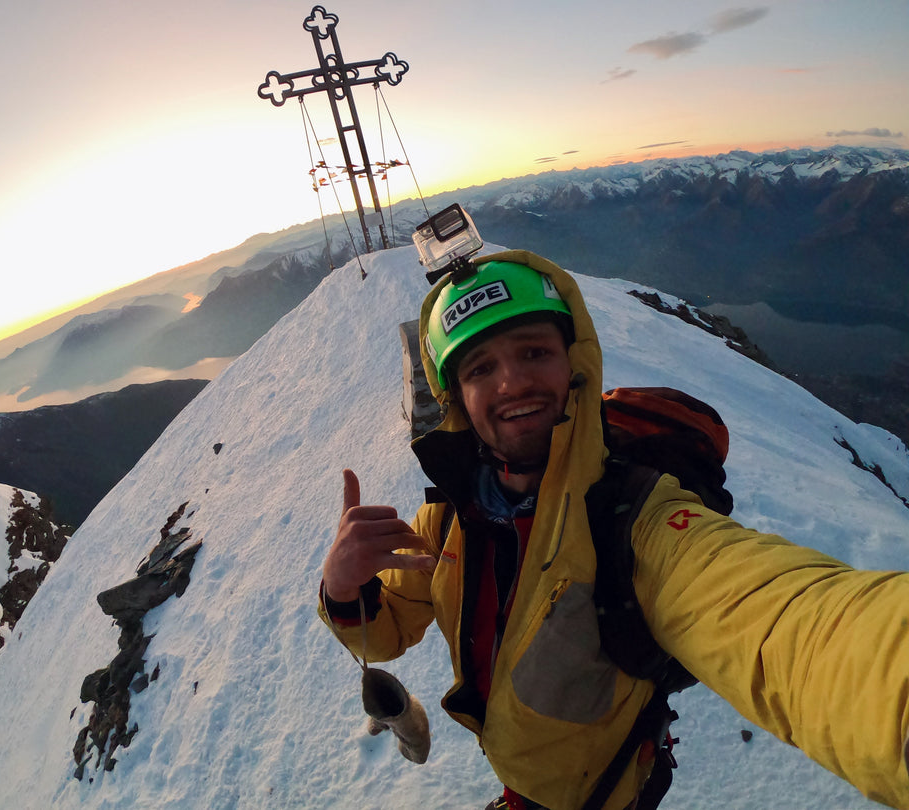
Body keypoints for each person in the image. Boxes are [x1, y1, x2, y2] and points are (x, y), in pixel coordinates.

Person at [319, 249, 909, 810]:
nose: (511, 384)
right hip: (524, 779)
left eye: (533, 352)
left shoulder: (638, 519)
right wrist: (344, 590)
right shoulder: (447, 518)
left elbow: (779, 622)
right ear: (457, 399)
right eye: (479, 368)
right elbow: (384, 634)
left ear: (573, 365)